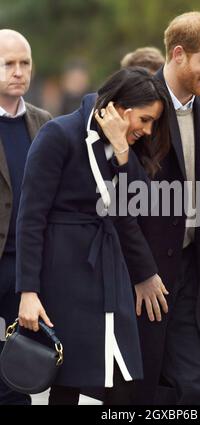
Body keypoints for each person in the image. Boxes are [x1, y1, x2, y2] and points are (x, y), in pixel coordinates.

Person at [15, 67, 171, 405]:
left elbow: (141, 204)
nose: (147, 130)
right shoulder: (58, 134)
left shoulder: (128, 147)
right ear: (120, 108)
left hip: (111, 270)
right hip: (65, 275)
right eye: (144, 120)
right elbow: (30, 218)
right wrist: (28, 291)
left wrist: (121, 152)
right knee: (68, 380)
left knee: (124, 375)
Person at [110, 11, 200, 405]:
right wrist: (142, 272)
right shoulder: (140, 105)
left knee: (197, 388)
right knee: (140, 392)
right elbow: (117, 197)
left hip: (191, 273)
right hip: (142, 278)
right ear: (178, 54)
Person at [0, 29, 52, 405]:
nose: (18, 72)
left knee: (19, 366)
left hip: (27, 267)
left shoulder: (44, 122)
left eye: (24, 63)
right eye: (8, 64)